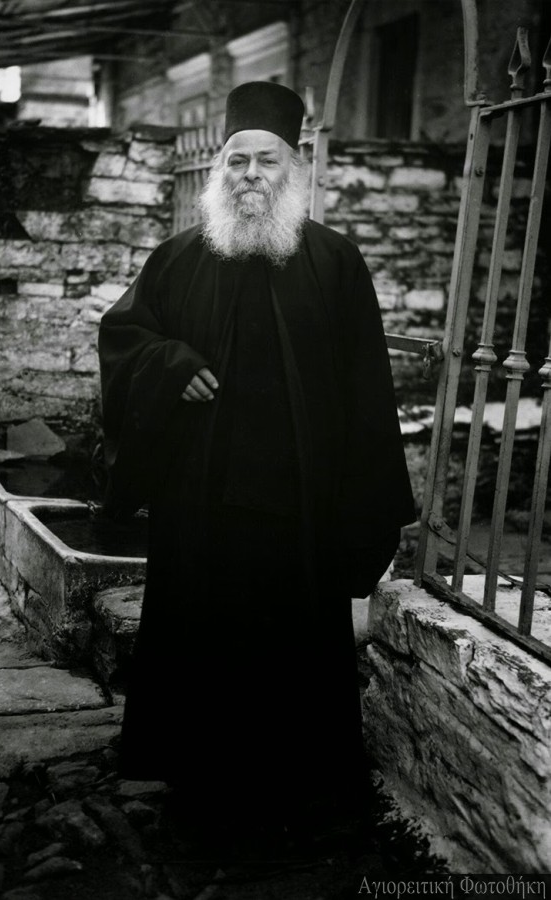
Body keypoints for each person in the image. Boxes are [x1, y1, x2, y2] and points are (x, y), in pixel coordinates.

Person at [98, 81, 415, 828]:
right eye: (236, 160)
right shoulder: (178, 258)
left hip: (300, 498)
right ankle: (199, 773)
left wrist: (364, 504)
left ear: (294, 166)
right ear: (220, 169)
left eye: (265, 160)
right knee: (201, 631)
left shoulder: (335, 262)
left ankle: (293, 777)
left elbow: (367, 389)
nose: (249, 174)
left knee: (292, 641)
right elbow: (124, 336)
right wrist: (171, 363)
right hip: (200, 498)